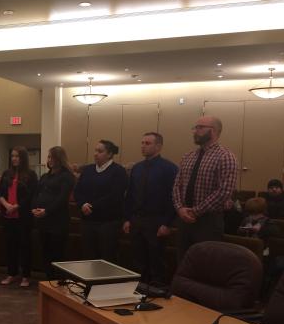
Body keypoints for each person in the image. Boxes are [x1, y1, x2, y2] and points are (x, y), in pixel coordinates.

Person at [173, 116, 238, 261]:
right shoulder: (188, 156)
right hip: (184, 218)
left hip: (208, 221)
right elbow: (177, 185)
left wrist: (195, 211)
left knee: (205, 262)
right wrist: (180, 208)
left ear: (213, 131)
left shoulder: (225, 156)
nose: (195, 131)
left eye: (200, 127)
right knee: (183, 260)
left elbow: (224, 191)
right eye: (195, 127)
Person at [123, 133, 178, 285]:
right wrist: (127, 218)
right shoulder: (137, 168)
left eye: (147, 143)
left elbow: (173, 198)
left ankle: (156, 289)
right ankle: (139, 288)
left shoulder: (169, 168)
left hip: (157, 220)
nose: (143, 146)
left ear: (158, 146)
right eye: (142, 142)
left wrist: (167, 223)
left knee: (156, 260)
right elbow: (130, 195)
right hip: (137, 219)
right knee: (137, 259)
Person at [73, 140, 127, 263]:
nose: (95, 154)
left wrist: (92, 206)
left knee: (106, 257)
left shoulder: (118, 171)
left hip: (108, 222)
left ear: (109, 154)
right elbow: (78, 191)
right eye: (95, 150)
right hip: (88, 221)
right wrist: (82, 204)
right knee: (88, 256)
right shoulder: (88, 170)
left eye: (100, 151)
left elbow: (115, 195)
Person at [32, 146, 75, 279]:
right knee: (45, 252)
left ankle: (58, 281)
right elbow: (37, 193)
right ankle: (48, 280)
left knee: (57, 253)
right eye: (48, 157)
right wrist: (34, 207)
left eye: (52, 157)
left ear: (59, 158)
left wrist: (47, 211)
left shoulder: (66, 176)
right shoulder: (45, 176)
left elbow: (61, 199)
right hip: (43, 220)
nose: (49, 160)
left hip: (58, 221)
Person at [0, 146, 38, 287]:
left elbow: (31, 195)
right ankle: (11, 273)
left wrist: (16, 206)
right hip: (8, 215)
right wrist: (6, 205)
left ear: (23, 158)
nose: (14, 158)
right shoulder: (6, 173)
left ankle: (26, 276)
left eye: (17, 156)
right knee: (10, 246)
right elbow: (0, 193)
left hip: (23, 216)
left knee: (24, 246)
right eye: (13, 156)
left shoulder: (31, 174)